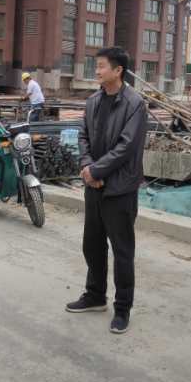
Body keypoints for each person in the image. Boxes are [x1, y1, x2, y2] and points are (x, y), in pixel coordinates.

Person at [67, 47, 147, 335]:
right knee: (92, 244)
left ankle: (122, 308)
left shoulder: (135, 104)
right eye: (96, 66)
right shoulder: (93, 101)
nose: (97, 71)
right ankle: (95, 295)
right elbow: (83, 136)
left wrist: (97, 172)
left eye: (101, 66)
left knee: (122, 251)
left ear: (118, 70)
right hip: (94, 186)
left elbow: (127, 146)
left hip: (120, 189)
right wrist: (87, 167)